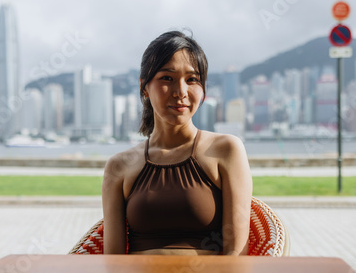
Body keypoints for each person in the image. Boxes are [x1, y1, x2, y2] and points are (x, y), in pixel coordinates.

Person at [102, 30, 252, 255]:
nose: (180, 92)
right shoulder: (118, 166)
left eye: (192, 80)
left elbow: (237, 254)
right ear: (144, 87)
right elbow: (112, 262)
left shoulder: (226, 150)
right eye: (167, 78)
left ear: (203, 90)